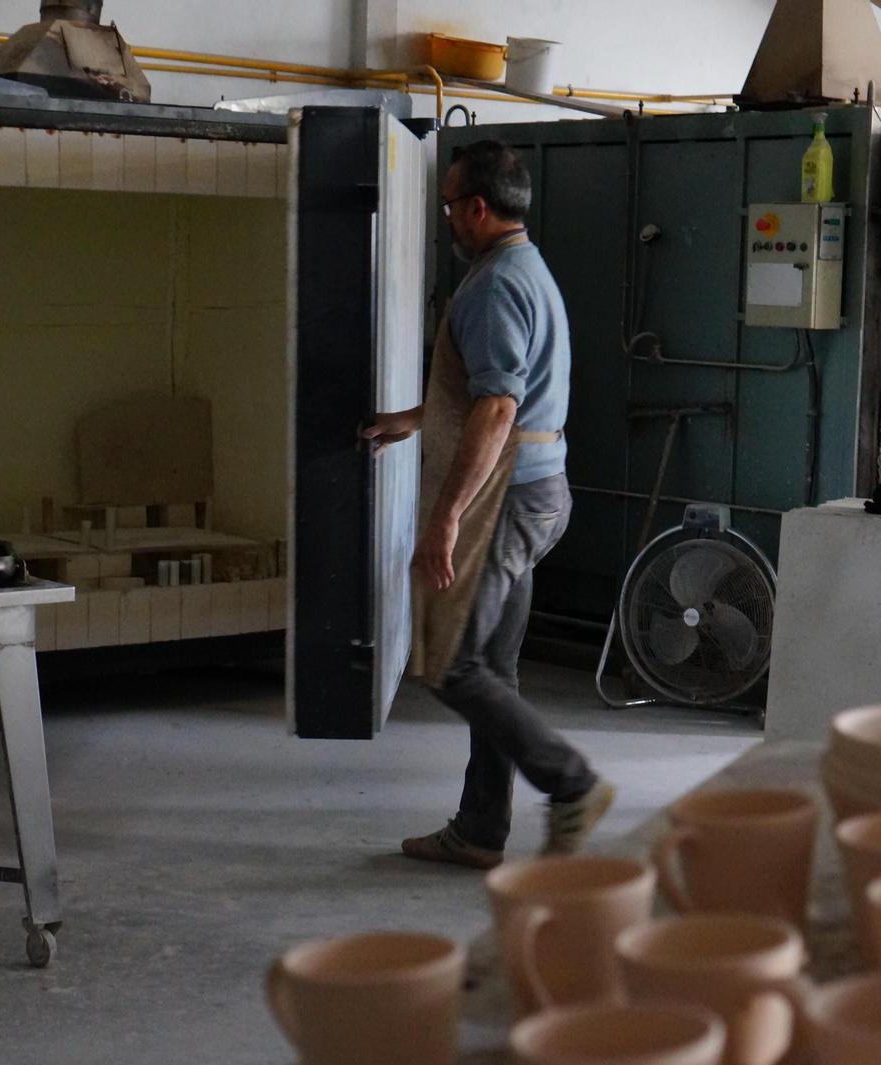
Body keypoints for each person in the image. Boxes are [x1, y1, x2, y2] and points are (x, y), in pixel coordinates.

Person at [362, 141, 615, 869]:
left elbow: (500, 407)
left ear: (478, 206)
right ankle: (480, 829)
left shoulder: (497, 283)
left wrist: (444, 517)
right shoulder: (524, 267)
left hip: (506, 498)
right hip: (537, 489)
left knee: (454, 665)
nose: (446, 218)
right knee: (492, 668)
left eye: (449, 205)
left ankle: (571, 783)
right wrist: (412, 419)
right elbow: (496, 393)